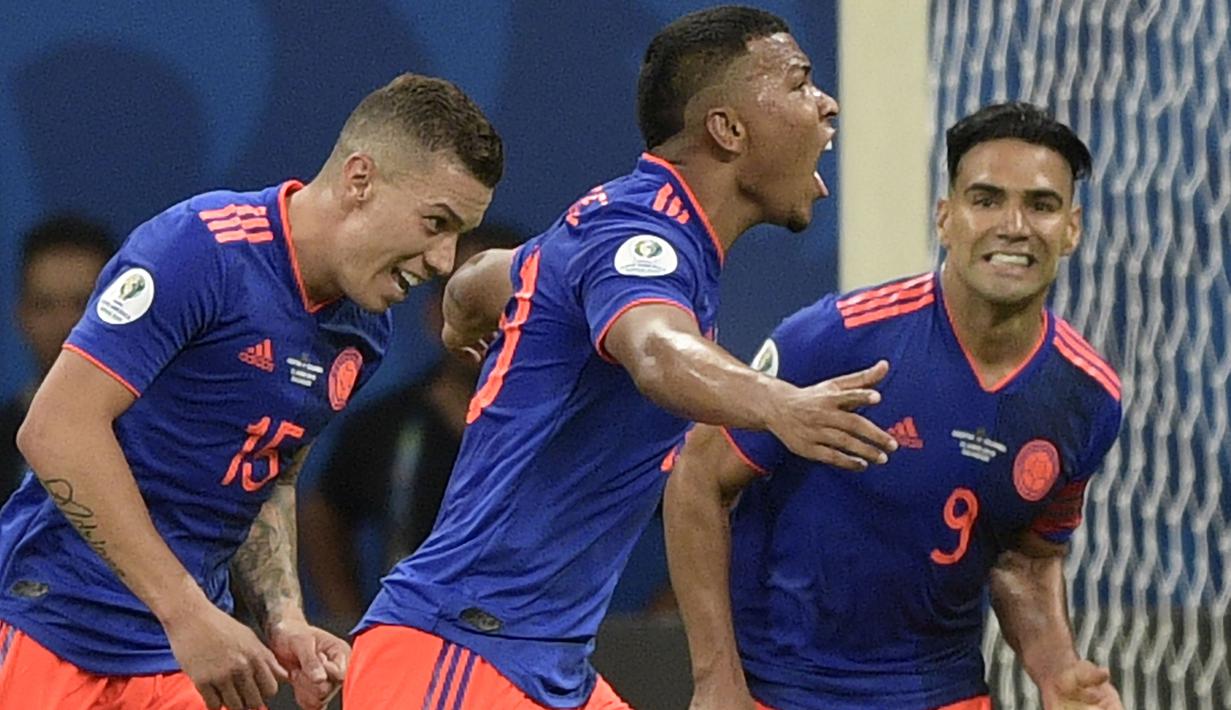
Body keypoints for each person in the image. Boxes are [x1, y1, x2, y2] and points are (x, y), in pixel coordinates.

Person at [345, 6, 899, 709]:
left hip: (540, 662)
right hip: (461, 656)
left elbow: (488, 276)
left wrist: (461, 309)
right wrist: (779, 403)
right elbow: (656, 351)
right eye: (798, 83)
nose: (826, 103)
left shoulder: (623, 225)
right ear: (727, 129)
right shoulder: (642, 234)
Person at [0, 72, 502, 710]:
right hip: (52, 634)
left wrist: (283, 619)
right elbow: (55, 430)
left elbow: (268, 470)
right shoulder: (200, 248)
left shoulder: (363, 331)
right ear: (360, 180)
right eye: (436, 222)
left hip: (185, 657)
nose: (444, 261)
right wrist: (187, 613)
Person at [664, 102, 1124, 710]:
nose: (1014, 225)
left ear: (1072, 228)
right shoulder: (836, 339)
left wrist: (1058, 670)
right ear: (946, 218)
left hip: (944, 692)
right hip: (782, 690)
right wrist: (716, 679)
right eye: (986, 200)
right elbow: (697, 479)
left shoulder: (1087, 397)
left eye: (1041, 205)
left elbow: (1027, 561)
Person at [301, 223, 523, 628]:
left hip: (539, 644)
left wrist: (652, 624)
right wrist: (347, 620)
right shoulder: (384, 425)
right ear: (436, 312)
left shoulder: (575, 426)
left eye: (507, 306)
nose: (490, 323)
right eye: (469, 301)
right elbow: (323, 511)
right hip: (412, 640)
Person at [1, 216, 114, 504]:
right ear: (21, 317)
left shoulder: (165, 435)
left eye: (81, 303)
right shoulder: (4, 437)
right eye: (44, 306)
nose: (65, 325)